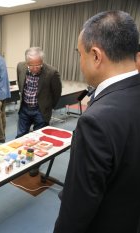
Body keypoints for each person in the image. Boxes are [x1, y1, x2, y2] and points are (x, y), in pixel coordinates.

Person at [54, 11, 140, 233]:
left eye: (79, 54)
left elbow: (77, 208)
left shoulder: (96, 121)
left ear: (95, 55)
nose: (80, 62)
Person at [16, 47, 62, 176]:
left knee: (38, 141)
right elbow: (20, 85)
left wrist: (48, 107)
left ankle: (35, 165)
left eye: (39, 65)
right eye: (32, 65)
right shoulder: (21, 67)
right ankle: (21, 160)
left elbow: (57, 93)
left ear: (42, 61)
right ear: (26, 63)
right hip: (25, 109)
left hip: (40, 111)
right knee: (20, 137)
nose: (36, 68)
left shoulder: (51, 72)